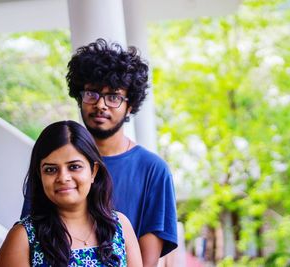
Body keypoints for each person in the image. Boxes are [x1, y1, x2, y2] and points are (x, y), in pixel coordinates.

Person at [22, 39, 178, 266]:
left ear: (130, 105)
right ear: (79, 97)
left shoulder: (153, 170)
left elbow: (144, 262)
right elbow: (32, 234)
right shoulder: (54, 165)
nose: (101, 105)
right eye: (92, 94)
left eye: (113, 96)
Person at [0, 120, 142, 267]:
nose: (63, 177)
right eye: (51, 169)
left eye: (74, 167)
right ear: (40, 176)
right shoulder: (24, 237)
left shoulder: (119, 226)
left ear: (93, 171)